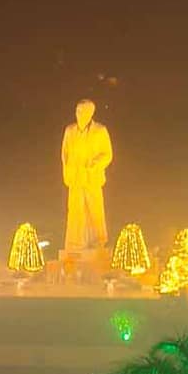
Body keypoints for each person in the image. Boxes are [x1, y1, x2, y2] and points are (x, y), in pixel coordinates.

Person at [60, 99, 113, 266]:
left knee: (95, 209)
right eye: (77, 111)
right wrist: (68, 173)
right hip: (75, 178)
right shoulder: (70, 131)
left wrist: (95, 164)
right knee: (75, 212)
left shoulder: (100, 131)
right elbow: (64, 154)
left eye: (82, 112)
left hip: (92, 178)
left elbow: (107, 154)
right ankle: (75, 243)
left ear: (91, 113)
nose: (79, 115)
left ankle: (99, 241)